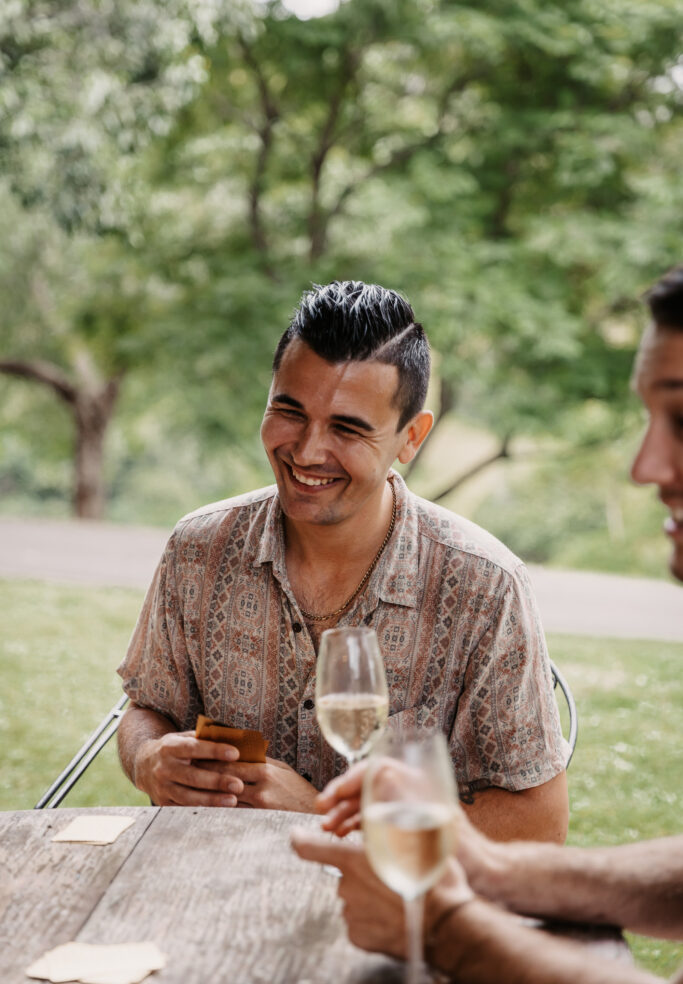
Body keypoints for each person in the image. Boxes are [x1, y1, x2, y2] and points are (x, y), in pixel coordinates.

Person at [292, 264, 683, 983]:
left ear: (408, 438)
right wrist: (486, 865)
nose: (644, 464)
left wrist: (439, 926)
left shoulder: (483, 576)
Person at [116, 280, 568, 840]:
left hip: (398, 909)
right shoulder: (197, 548)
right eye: (289, 411)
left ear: (411, 437)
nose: (306, 452)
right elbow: (146, 709)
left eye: (348, 429)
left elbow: (538, 825)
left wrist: (319, 818)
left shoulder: (485, 585)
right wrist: (148, 758)